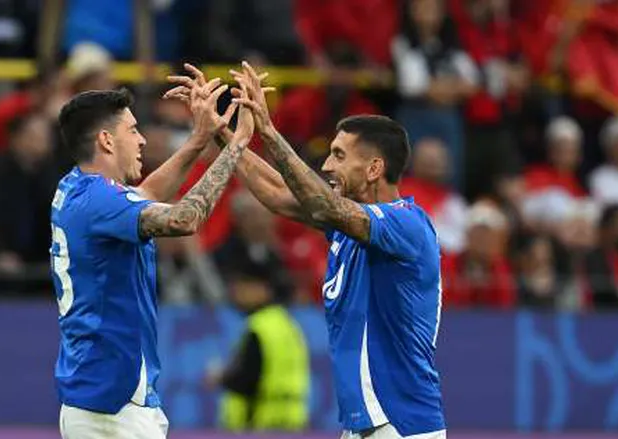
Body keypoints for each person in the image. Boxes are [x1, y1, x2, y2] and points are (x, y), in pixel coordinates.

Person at [166, 62, 445, 438]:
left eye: (339, 155)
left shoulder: (406, 224)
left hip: (402, 423)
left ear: (374, 168)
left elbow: (322, 205)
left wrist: (268, 131)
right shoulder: (349, 228)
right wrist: (223, 134)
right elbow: (278, 193)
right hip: (366, 425)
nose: (327, 165)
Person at [50, 82, 254, 439]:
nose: (142, 140)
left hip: (101, 397)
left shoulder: (77, 188)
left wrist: (199, 139)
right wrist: (235, 146)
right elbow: (182, 220)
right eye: (132, 130)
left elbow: (145, 194)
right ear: (106, 140)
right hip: (112, 405)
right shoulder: (98, 199)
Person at [213, 257, 310, 432]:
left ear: (262, 288)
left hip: (263, 423)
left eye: (243, 286)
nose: (237, 293)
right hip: (291, 422)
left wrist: (222, 377)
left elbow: (247, 379)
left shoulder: (259, 327)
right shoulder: (288, 324)